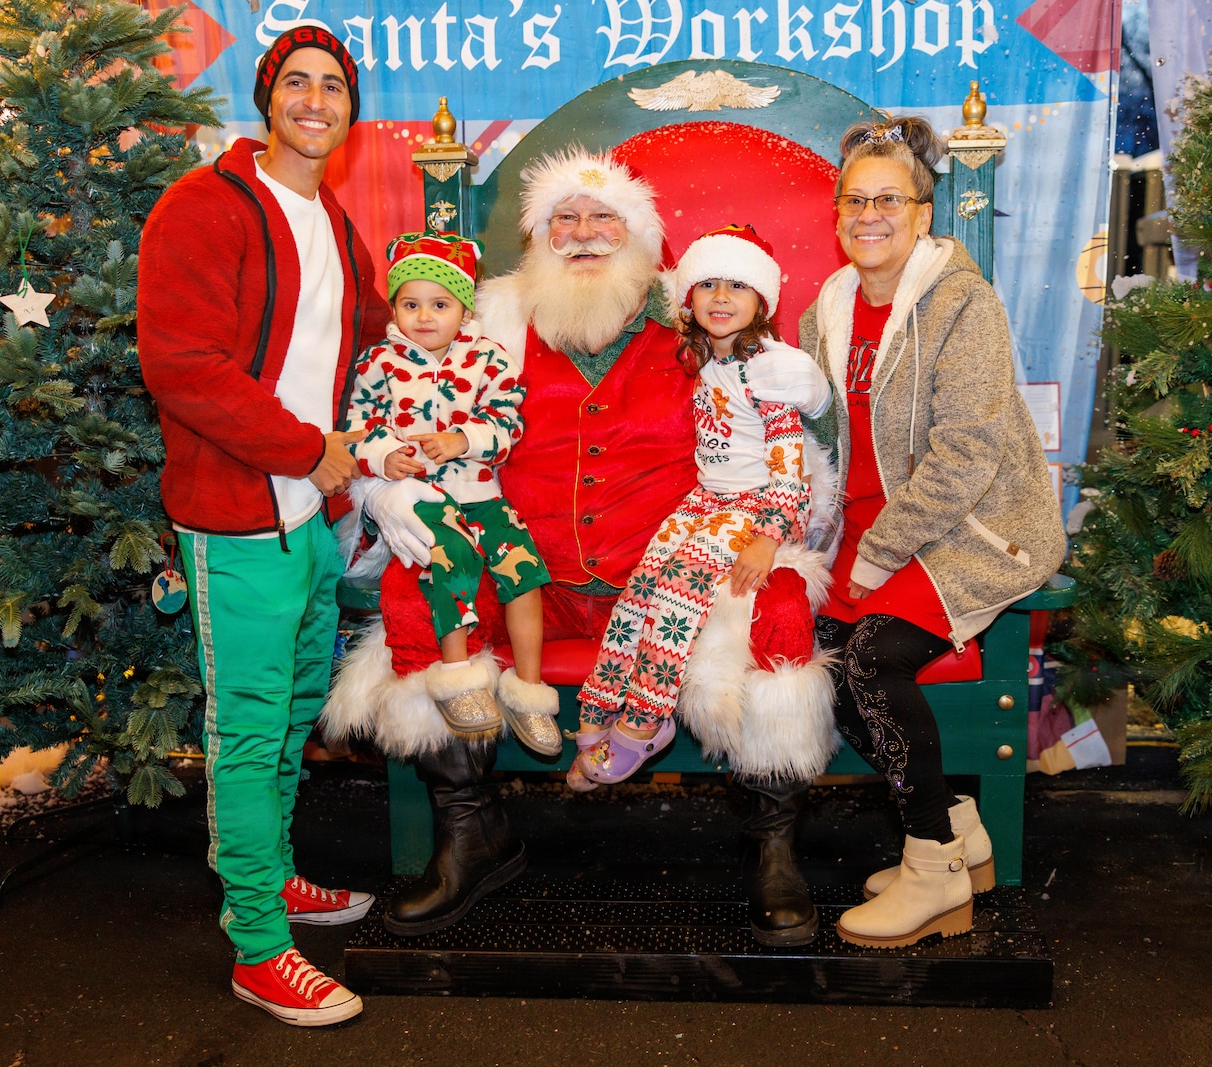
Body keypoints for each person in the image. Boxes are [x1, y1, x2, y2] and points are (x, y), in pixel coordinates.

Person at [322, 150, 838, 947]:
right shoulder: (485, 321)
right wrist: (387, 488)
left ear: (642, 236)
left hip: (677, 571)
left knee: (776, 610)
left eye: (606, 219)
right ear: (537, 235)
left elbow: (780, 448)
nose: (586, 235)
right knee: (412, 593)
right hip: (531, 568)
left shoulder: (700, 322)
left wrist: (770, 533)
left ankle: (771, 842)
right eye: (565, 219)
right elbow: (395, 419)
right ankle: (472, 833)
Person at [138, 25, 386, 1027]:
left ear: (349, 110)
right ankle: (257, 947)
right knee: (246, 734)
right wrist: (307, 448)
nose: (316, 101)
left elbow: (372, 327)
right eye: (298, 83)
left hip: (309, 520)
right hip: (238, 516)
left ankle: (269, 874)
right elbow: (183, 365)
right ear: (267, 96)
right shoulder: (203, 207)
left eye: (334, 86)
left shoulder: (329, 216)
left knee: (289, 721)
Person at [799, 116, 1066, 948]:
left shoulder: (962, 302)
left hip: (975, 523)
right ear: (837, 213)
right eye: (854, 200)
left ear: (923, 213)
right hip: (869, 525)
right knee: (815, 657)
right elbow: (817, 444)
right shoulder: (829, 309)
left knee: (872, 655)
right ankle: (956, 826)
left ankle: (933, 875)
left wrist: (879, 554)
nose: (869, 215)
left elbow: (966, 456)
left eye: (890, 199)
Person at [570, 225, 814, 790]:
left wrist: (767, 536)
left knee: (679, 593)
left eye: (737, 285)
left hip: (758, 506)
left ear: (761, 301)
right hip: (706, 501)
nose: (722, 298)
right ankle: (601, 707)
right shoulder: (699, 357)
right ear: (689, 298)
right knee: (642, 587)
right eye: (708, 284)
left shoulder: (770, 370)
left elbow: (790, 465)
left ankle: (644, 724)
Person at [343, 231, 557, 753]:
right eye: (410, 304)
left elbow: (508, 424)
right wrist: (382, 457)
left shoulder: (490, 359)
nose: (424, 316)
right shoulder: (379, 364)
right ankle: (460, 679)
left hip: (483, 495)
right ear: (394, 309)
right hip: (421, 502)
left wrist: (462, 438)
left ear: (464, 309)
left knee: (523, 573)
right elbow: (358, 427)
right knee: (450, 562)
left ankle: (529, 690)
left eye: (440, 304)